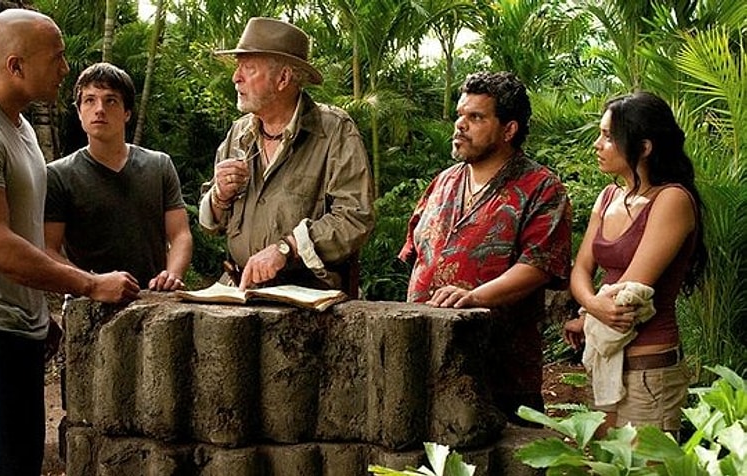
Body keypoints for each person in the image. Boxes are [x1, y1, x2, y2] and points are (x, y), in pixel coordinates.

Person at [0, 9, 140, 476]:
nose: (65, 69)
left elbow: (22, 233)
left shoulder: (18, 127)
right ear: (16, 65)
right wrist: (89, 284)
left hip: (11, 332)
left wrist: (36, 311)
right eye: (56, 58)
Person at [399, 71, 572, 425]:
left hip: (500, 374)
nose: (460, 125)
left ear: (509, 129)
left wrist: (474, 297)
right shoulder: (442, 182)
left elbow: (538, 267)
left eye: (476, 117)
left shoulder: (542, 188)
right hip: (425, 363)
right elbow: (416, 258)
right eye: (460, 115)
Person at [198, 17, 374, 296]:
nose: (236, 77)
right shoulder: (238, 133)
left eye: (249, 68)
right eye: (238, 67)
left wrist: (287, 248)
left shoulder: (334, 131)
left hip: (307, 298)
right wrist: (219, 196)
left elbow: (355, 217)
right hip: (239, 290)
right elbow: (209, 224)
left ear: (283, 78)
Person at [562, 91, 705, 436]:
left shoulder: (672, 199)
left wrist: (589, 313)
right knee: (604, 460)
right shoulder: (608, 197)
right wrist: (593, 306)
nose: (597, 144)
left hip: (648, 370)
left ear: (644, 147)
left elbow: (629, 293)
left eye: (608, 137)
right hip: (604, 360)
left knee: (641, 462)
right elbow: (580, 270)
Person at [45, 62, 192, 291]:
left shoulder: (159, 165)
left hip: (155, 296)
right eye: (90, 100)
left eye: (110, 100)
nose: (99, 109)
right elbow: (48, 250)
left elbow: (180, 234)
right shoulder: (58, 175)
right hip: (88, 301)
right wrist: (92, 284)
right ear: (79, 112)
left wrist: (172, 276)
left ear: (127, 113)